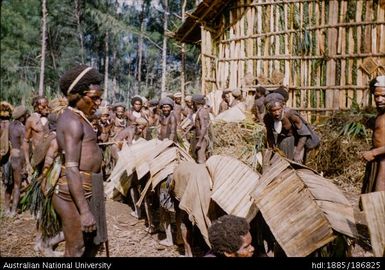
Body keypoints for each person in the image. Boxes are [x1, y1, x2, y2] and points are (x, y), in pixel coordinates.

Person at [54, 64, 107, 257]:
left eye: (99, 97)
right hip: (72, 193)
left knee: (90, 245)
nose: (98, 102)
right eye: (94, 98)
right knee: (77, 249)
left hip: (87, 188)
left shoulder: (81, 118)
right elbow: (72, 168)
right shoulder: (72, 122)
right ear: (76, 96)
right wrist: (84, 212)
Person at [263, 93, 316, 164]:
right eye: (273, 110)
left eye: (278, 109)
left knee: (295, 164)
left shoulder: (291, 115)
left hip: (297, 143)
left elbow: (304, 134)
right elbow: (270, 134)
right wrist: (272, 149)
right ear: (269, 111)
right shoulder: (268, 118)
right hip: (282, 142)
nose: (277, 113)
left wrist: (297, 152)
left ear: (283, 107)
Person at [361, 76, 385, 193]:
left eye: (384, 96)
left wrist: (374, 152)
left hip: (383, 161)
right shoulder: (380, 114)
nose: (379, 99)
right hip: (378, 159)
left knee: (379, 196)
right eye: (376, 96)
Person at [5, 105, 28, 217]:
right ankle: (13, 211)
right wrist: (24, 165)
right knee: (17, 185)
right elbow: (24, 147)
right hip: (18, 157)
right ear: (22, 117)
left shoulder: (9, 126)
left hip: (9, 157)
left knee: (8, 184)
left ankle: (6, 210)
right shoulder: (22, 128)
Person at [22, 96, 50, 175]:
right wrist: (27, 163)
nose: (47, 108)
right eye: (44, 106)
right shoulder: (31, 120)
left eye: (47, 106)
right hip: (38, 158)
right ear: (36, 106)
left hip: (50, 157)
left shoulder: (50, 118)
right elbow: (25, 141)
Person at [192, 94, 210, 164]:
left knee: (201, 160)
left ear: (195, 103)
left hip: (202, 138)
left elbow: (204, 127)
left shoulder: (201, 112)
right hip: (200, 138)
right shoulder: (201, 111)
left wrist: (199, 142)